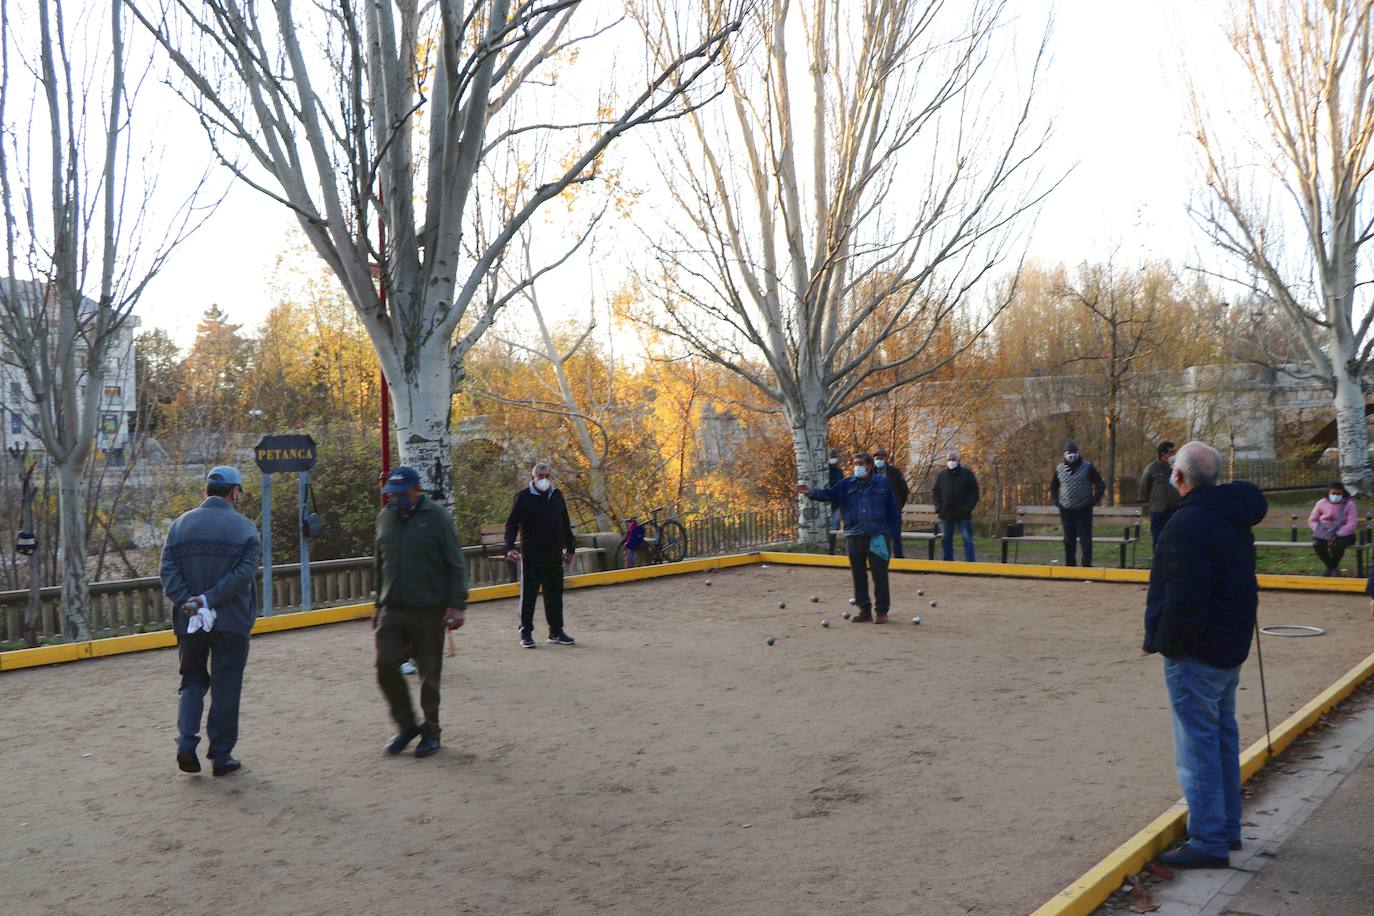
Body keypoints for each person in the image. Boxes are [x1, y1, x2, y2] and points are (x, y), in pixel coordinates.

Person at [1143, 441, 1267, 870]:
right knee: (1220, 739)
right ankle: (1226, 828)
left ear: (1180, 478)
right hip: (1228, 645)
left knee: (1198, 748)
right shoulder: (1231, 515)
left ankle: (1210, 840)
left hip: (1198, 651)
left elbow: (1184, 598)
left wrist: (1166, 642)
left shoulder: (1187, 524)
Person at [160, 466, 261, 777]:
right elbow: (242, 576)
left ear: (206, 492)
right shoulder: (245, 529)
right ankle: (221, 756)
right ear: (234, 493)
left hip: (189, 621)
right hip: (230, 621)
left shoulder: (179, 525)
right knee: (226, 685)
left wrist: (188, 601)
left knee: (191, 680)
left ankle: (186, 742)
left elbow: (167, 570)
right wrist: (209, 600)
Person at [373, 466, 468, 758]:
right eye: (391, 494)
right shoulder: (385, 517)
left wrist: (457, 605)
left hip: (429, 609)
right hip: (392, 608)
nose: (395, 499)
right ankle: (406, 726)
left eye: (401, 494)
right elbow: (380, 562)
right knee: (385, 665)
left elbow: (455, 563)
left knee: (429, 674)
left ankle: (431, 731)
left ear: (417, 491)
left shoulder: (438, 519)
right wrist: (377, 603)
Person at [797, 452, 901, 623]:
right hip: (854, 535)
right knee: (858, 575)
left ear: (869, 466)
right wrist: (811, 493)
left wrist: (892, 534)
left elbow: (893, 510)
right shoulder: (846, 484)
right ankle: (864, 610)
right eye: (855, 463)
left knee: (880, 575)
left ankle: (881, 611)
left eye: (860, 463)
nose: (857, 466)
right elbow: (829, 494)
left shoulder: (883, 483)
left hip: (878, 535)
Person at [505, 461, 577, 649]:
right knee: (529, 595)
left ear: (551, 477)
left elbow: (565, 523)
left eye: (547, 476)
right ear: (533, 478)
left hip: (554, 553)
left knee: (554, 595)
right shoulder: (522, 497)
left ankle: (556, 631)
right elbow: (511, 524)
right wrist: (509, 546)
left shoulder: (557, 495)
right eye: (540, 476)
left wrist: (570, 548)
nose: (544, 480)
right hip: (532, 554)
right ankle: (526, 632)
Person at [1050, 441, 1106, 567]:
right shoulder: (1059, 469)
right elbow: (1053, 486)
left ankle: (1086, 565)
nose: (1071, 455)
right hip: (1066, 509)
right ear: (1064, 453)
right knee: (1069, 539)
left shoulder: (1087, 467)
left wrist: (1094, 500)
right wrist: (1055, 500)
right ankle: (1070, 565)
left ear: (1078, 453)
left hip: (1084, 508)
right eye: (1068, 452)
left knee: (1085, 539)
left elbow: (1100, 484)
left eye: (1074, 452)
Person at [932, 450, 979, 562]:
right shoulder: (941, 475)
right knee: (946, 539)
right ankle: (948, 561)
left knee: (968, 540)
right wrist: (939, 508)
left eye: (953, 459)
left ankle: (970, 563)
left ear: (958, 460)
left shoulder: (967, 474)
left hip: (963, 514)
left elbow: (974, 493)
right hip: (946, 514)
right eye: (949, 460)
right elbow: (935, 493)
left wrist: (967, 508)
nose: (951, 462)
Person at [1307, 481, 1358, 577]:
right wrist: (1320, 531)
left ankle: (1330, 569)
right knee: (1317, 544)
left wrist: (1335, 535)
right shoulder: (1321, 503)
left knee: (1337, 546)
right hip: (1324, 532)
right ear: (1328, 493)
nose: (1336, 496)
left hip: (1344, 534)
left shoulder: (1349, 505)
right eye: (1333, 493)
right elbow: (1312, 521)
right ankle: (1332, 568)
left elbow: (1351, 525)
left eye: (1339, 494)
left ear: (1343, 493)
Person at [1138, 441, 1180, 547]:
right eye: (1171, 452)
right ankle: (1158, 561)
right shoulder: (1151, 469)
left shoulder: (1178, 468)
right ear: (1163, 454)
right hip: (1158, 510)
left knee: (1174, 539)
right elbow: (1144, 488)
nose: (1174, 454)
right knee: (1158, 540)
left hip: (1175, 509)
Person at [872, 449, 909, 558]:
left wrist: (898, 505)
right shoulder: (870, 472)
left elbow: (904, 490)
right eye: (877, 459)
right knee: (878, 534)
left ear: (886, 459)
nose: (879, 460)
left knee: (896, 534)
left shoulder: (894, 472)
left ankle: (899, 556)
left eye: (881, 458)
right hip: (877, 509)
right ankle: (880, 556)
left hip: (892, 509)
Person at [826, 448, 845, 554]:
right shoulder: (825, 471)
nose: (833, 459)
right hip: (827, 502)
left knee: (834, 527)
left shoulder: (839, 471)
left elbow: (841, 485)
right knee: (829, 527)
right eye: (832, 457)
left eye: (834, 457)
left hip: (836, 504)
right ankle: (830, 549)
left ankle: (831, 551)